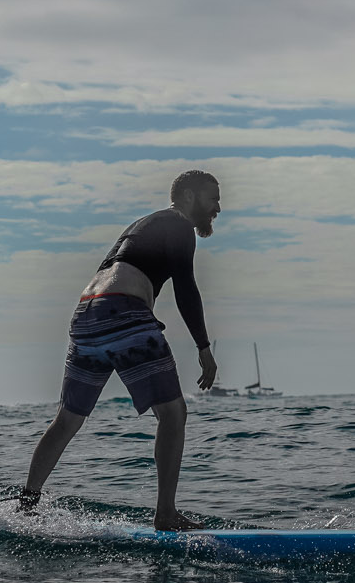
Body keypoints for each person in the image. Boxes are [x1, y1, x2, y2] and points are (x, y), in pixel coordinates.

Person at [18, 170, 221, 530]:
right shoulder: (178, 223)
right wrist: (204, 346)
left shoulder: (142, 224)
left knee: (68, 419)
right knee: (173, 415)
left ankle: (27, 503)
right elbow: (186, 288)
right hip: (123, 309)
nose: (217, 207)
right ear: (188, 197)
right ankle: (166, 514)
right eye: (212, 198)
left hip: (85, 315)